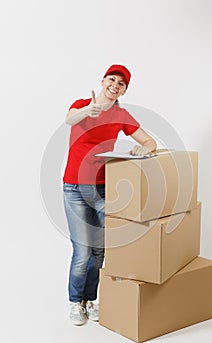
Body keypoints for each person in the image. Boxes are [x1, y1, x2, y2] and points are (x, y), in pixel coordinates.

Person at [63, 64, 157, 326]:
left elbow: (150, 142)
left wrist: (143, 148)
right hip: (73, 188)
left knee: (99, 252)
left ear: (124, 90)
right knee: (82, 252)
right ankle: (75, 302)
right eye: (112, 80)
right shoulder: (82, 104)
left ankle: (89, 300)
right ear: (103, 81)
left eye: (122, 84)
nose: (115, 85)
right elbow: (69, 119)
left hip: (103, 189)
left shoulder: (121, 115)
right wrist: (87, 111)